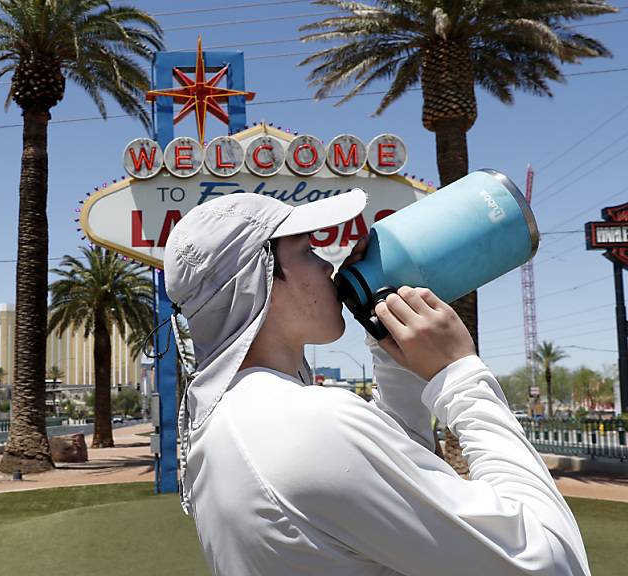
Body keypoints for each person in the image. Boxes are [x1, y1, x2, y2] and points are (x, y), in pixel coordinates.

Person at [163, 191, 590, 575]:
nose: (328, 265)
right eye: (307, 250)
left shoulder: (223, 423)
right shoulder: (309, 423)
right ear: (262, 278)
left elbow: (395, 469)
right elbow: (553, 562)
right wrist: (460, 373)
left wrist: (387, 342)